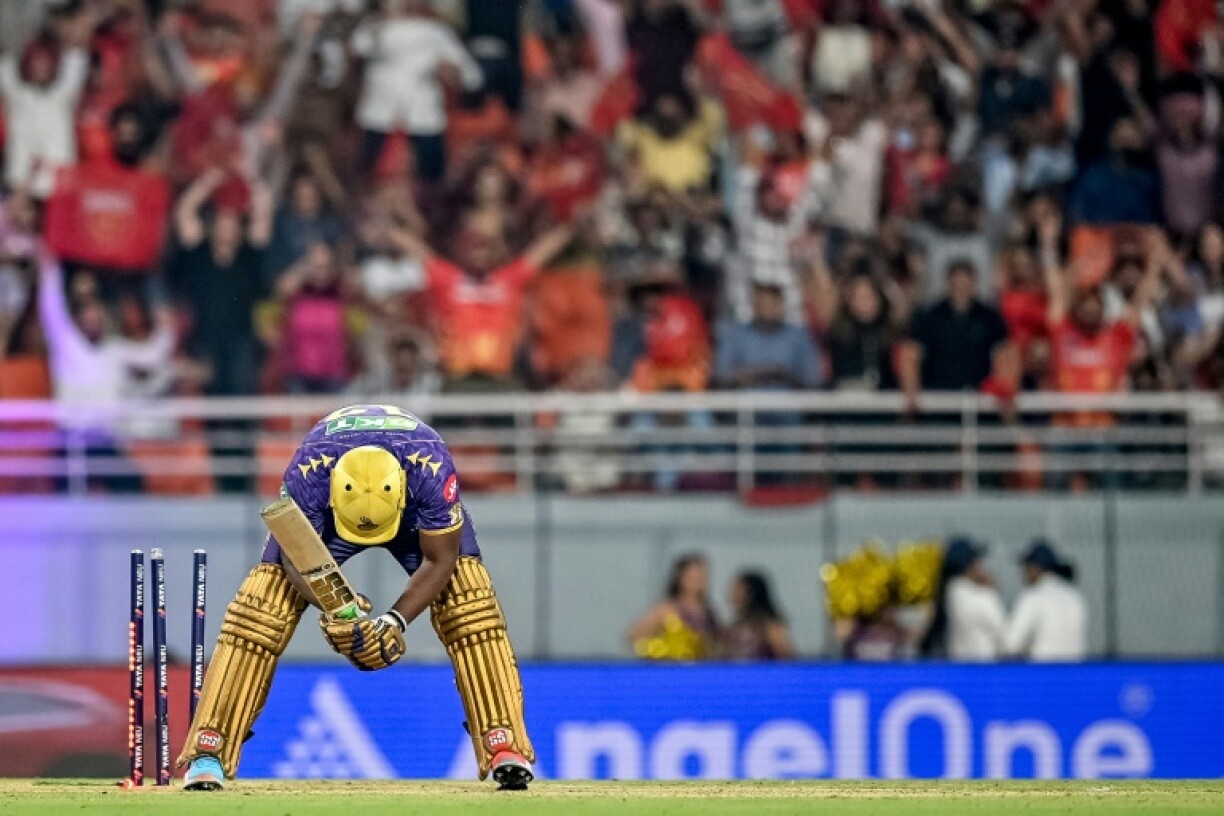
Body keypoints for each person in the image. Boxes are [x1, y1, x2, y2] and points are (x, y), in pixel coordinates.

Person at [179, 404, 534, 791]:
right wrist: (341, 610)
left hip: (413, 517)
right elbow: (296, 564)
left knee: (470, 603)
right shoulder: (307, 473)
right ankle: (208, 751)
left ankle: (505, 746)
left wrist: (393, 620)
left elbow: (441, 558)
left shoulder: (430, 467)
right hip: (330, 523)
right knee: (260, 608)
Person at [920, 537, 1005, 661]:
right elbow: (1007, 641)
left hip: (957, 670)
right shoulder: (982, 597)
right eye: (976, 561)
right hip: (984, 671)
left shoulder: (945, 595)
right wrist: (990, 590)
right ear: (967, 566)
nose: (981, 566)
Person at [1003, 539, 1088, 661]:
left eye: (1026, 567)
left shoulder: (1033, 596)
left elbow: (1010, 645)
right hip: (1076, 673)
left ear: (1035, 568)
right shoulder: (1074, 596)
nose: (1023, 573)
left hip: (1043, 674)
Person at [626, 553, 718, 660]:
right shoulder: (666, 609)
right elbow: (633, 636)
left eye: (701, 578)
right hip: (671, 670)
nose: (698, 583)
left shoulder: (708, 612)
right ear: (680, 578)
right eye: (693, 578)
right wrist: (657, 650)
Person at [721, 571, 794, 660]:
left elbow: (786, 654)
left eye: (738, 588)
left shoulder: (768, 623)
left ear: (750, 593)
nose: (732, 592)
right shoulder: (734, 625)